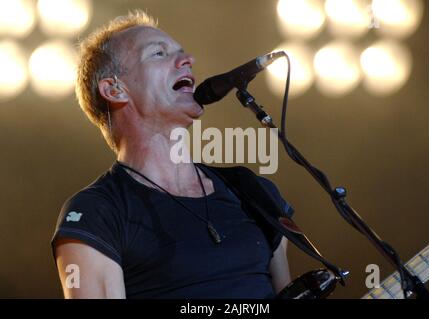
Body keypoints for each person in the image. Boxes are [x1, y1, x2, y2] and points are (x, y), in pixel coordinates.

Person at [51, 10, 295, 299]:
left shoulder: (252, 190)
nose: (188, 60)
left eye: (182, 52)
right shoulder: (96, 214)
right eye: (158, 53)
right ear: (115, 89)